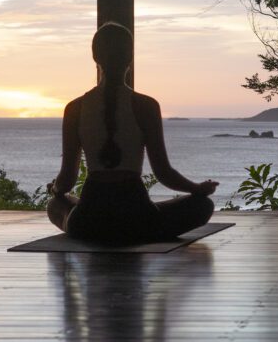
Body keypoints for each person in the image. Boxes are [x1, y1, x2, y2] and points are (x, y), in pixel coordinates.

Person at [46, 22, 217, 244]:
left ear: (95, 56)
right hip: (139, 220)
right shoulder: (146, 106)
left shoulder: (75, 108)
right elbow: (163, 173)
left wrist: (56, 189)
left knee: (55, 205)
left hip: (88, 221)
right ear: (130, 57)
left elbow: (67, 180)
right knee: (203, 206)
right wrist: (198, 189)